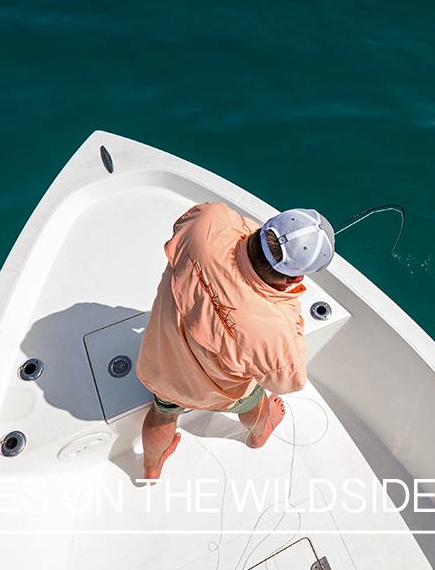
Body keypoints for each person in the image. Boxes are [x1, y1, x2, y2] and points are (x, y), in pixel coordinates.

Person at [134, 202, 335, 481]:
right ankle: (260, 434)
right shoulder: (276, 330)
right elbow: (288, 382)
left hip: (163, 360)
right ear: (297, 278)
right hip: (211, 389)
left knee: (163, 412)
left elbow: (210, 227)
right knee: (254, 400)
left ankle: (151, 467)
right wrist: (288, 303)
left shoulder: (207, 220)